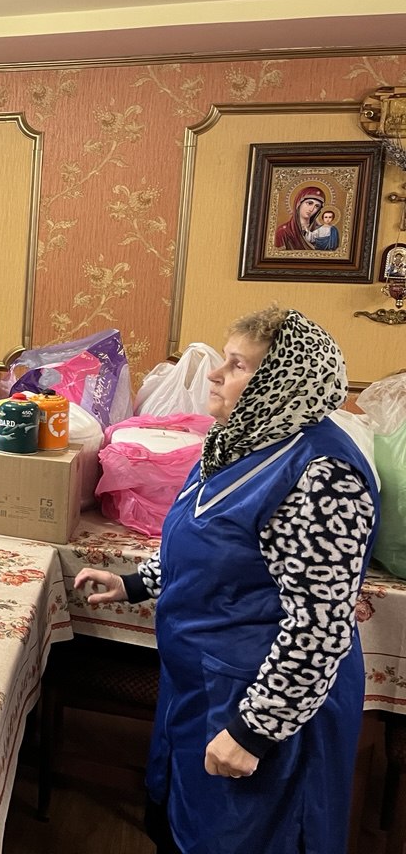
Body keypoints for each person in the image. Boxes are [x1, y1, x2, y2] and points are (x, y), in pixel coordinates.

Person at [74, 306, 378, 854]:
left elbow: (320, 627)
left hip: (262, 700)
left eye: (237, 365)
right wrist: (137, 583)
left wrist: (254, 731)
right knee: (185, 827)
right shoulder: (239, 440)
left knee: (243, 837)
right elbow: (205, 538)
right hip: (206, 681)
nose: (215, 373)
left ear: (281, 381)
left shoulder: (323, 475)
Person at [272, 184, 324, 250]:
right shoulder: (283, 231)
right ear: (299, 203)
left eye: (317, 206)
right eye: (309, 203)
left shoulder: (321, 230)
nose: (312, 209)